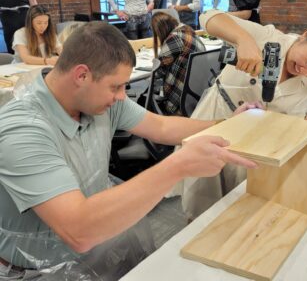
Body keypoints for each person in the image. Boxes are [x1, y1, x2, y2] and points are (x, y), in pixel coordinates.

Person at [0, 21, 258, 280]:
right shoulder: (22, 131)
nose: (123, 96)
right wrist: (177, 166)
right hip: (37, 271)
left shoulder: (101, 102)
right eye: (116, 86)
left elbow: (162, 126)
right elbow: (78, 230)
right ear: (81, 75)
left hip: (94, 247)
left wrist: (228, 124)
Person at [178, 8, 307, 220]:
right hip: (213, 121)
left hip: (251, 141)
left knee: (234, 204)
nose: (305, 72)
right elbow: (208, 17)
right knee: (200, 201)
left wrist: (306, 134)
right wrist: (245, 40)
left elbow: (288, 122)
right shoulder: (268, 38)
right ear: (305, 36)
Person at [151, 11, 205, 115]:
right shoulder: (188, 30)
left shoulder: (174, 38)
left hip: (176, 100)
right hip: (195, 94)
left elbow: (158, 71)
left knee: (149, 85)